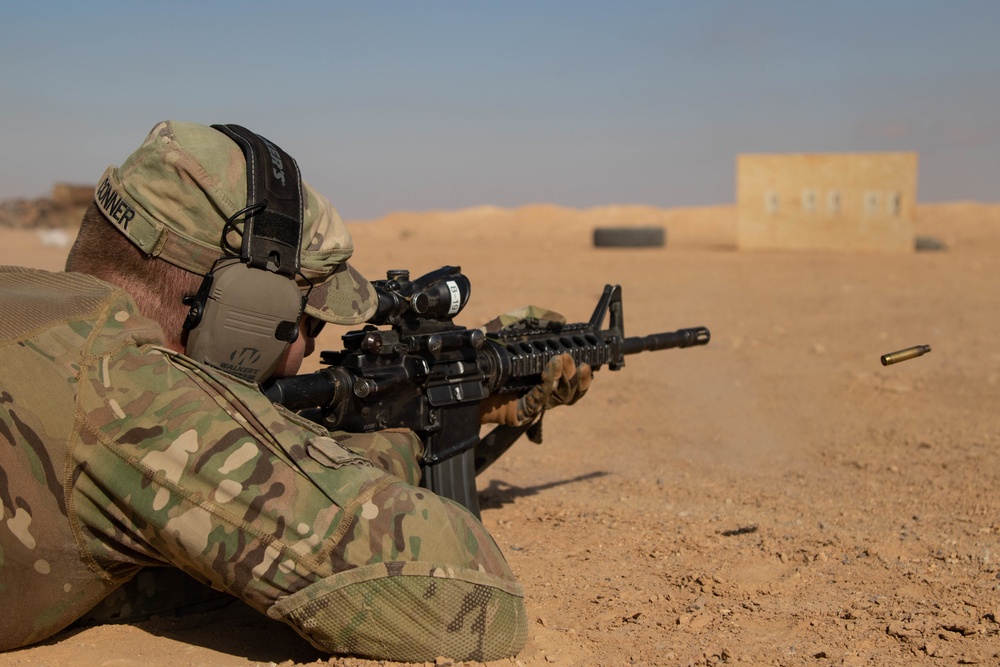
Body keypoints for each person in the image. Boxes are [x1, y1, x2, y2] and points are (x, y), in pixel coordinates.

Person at [0, 121, 591, 662]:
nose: (308, 349)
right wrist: (396, 447)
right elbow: (470, 599)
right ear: (242, 310)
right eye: (308, 322)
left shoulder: (29, 306)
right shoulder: (133, 395)